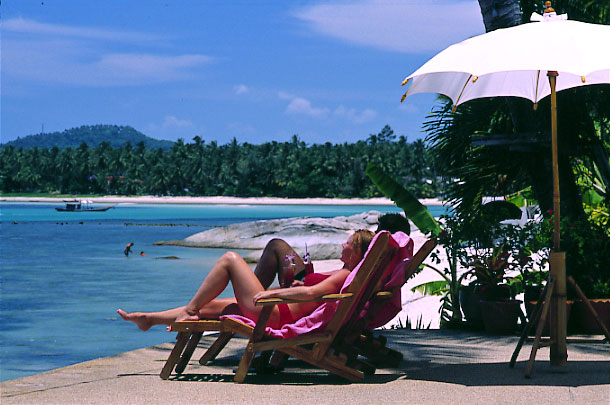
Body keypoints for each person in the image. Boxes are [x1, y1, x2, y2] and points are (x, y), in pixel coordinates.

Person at [117, 229, 375, 331]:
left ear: (357, 252)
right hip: (277, 309)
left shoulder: (344, 274)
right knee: (212, 307)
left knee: (229, 259)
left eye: (349, 242)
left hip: (275, 313)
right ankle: (149, 318)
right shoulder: (344, 272)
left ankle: (189, 310)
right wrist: (299, 285)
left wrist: (274, 294)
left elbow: (311, 296)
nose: (343, 244)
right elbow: (312, 292)